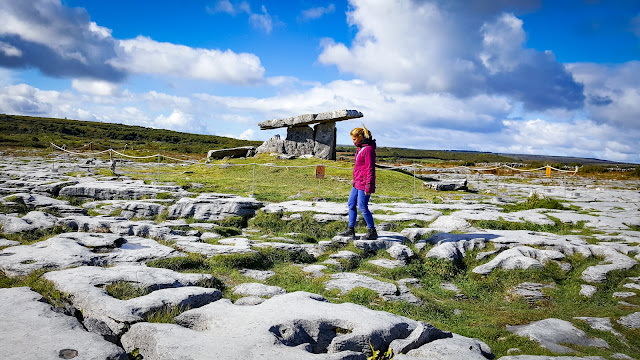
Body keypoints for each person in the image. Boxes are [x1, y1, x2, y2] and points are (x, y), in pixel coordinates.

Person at [338, 125, 378, 240]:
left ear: (360, 137)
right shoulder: (360, 148)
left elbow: (370, 169)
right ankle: (350, 230)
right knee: (351, 204)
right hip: (357, 182)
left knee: (362, 207)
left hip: (364, 183)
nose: (353, 141)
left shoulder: (368, 150)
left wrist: (368, 187)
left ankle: (372, 231)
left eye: (354, 139)